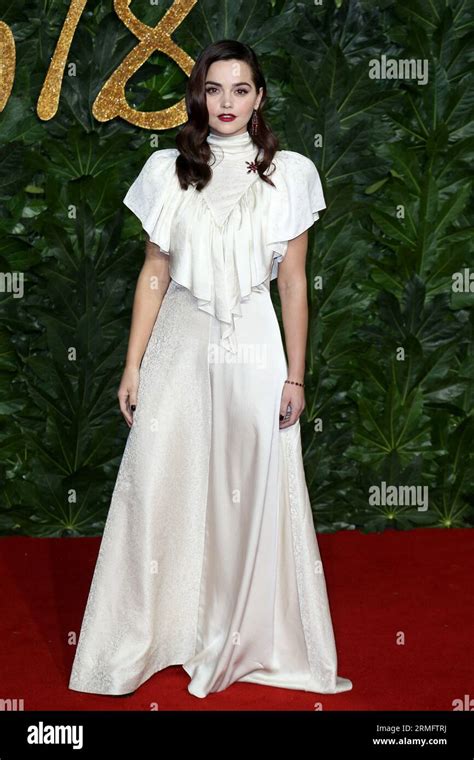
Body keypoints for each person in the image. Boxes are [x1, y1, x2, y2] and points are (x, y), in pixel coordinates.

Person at [68, 39, 353, 699]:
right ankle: (156, 633)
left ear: (259, 97)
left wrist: (296, 376)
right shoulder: (168, 168)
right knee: (160, 477)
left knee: (244, 489)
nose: (227, 103)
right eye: (215, 89)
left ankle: (236, 634)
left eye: (241, 89)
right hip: (179, 343)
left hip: (255, 347)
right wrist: (132, 364)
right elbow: (154, 274)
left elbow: (295, 286)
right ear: (199, 95)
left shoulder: (292, 173)